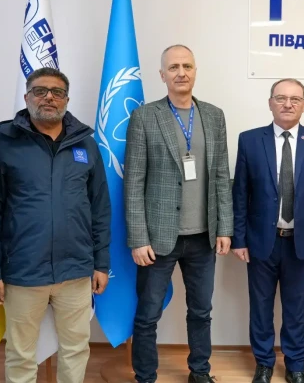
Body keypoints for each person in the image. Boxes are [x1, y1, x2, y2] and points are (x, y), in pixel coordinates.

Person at [0, 67, 111, 383]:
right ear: (27, 97)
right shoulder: (2, 145)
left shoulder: (86, 145)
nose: (49, 97)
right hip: (23, 272)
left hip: (75, 270)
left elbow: (100, 209)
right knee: (21, 354)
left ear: (66, 99)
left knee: (75, 349)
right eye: (40, 91)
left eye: (57, 92)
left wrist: (101, 263)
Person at [124, 44, 233, 383]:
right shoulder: (145, 117)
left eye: (187, 66)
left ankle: (200, 372)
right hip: (157, 239)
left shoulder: (214, 116)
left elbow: (221, 176)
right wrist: (138, 238)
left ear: (195, 71)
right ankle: (145, 376)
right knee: (147, 315)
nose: (181, 72)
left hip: (203, 237)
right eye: (173, 67)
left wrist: (225, 228)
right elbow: (133, 181)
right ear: (162, 75)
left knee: (201, 312)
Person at [231, 79, 304, 383]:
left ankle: (296, 366)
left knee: (296, 309)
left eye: (295, 99)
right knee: (260, 307)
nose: (287, 104)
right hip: (260, 242)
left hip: (302, 244)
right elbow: (240, 194)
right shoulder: (250, 140)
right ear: (270, 103)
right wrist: (239, 239)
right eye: (281, 98)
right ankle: (264, 363)